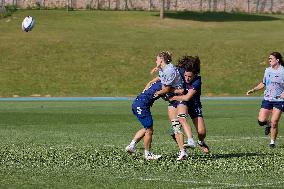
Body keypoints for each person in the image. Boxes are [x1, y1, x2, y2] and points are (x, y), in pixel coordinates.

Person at [125, 51, 183, 160]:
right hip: (141, 105)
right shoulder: (166, 82)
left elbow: (162, 81)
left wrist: (155, 74)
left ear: (161, 60)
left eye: (157, 59)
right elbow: (166, 90)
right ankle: (147, 154)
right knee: (149, 130)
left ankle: (132, 145)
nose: (155, 61)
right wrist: (178, 91)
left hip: (138, 103)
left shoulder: (165, 75)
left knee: (147, 128)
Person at [170, 55, 209, 154]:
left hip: (194, 105)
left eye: (189, 77)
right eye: (185, 76)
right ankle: (182, 150)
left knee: (201, 132)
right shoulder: (181, 72)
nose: (187, 78)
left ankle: (201, 141)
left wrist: (173, 97)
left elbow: (187, 97)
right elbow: (168, 71)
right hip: (181, 103)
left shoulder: (197, 81)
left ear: (194, 75)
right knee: (178, 125)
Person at [246, 52, 284, 148]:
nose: (269, 60)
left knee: (274, 121)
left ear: (277, 60)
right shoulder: (267, 70)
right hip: (267, 99)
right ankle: (268, 125)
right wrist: (253, 90)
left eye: (271, 58)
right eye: (268, 59)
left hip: (279, 100)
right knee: (261, 120)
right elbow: (263, 83)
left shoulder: (283, 71)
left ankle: (272, 142)